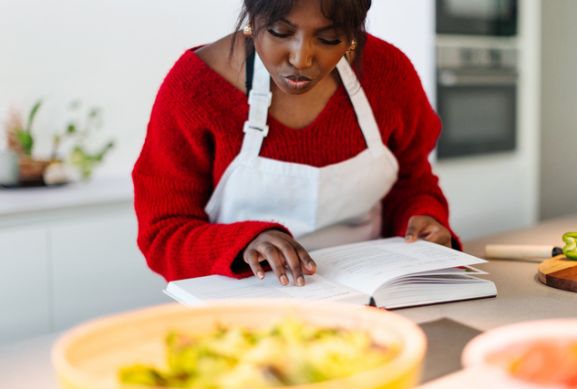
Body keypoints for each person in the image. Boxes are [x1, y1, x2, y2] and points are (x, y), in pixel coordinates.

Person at [132, 0, 461, 287]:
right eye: (279, 31)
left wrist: (425, 219)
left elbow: (412, 182)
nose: (301, 59)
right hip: (240, 307)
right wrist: (243, 243)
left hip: (372, 296)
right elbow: (163, 234)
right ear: (253, 16)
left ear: (352, 34)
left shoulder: (389, 73)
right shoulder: (195, 88)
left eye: (330, 37)